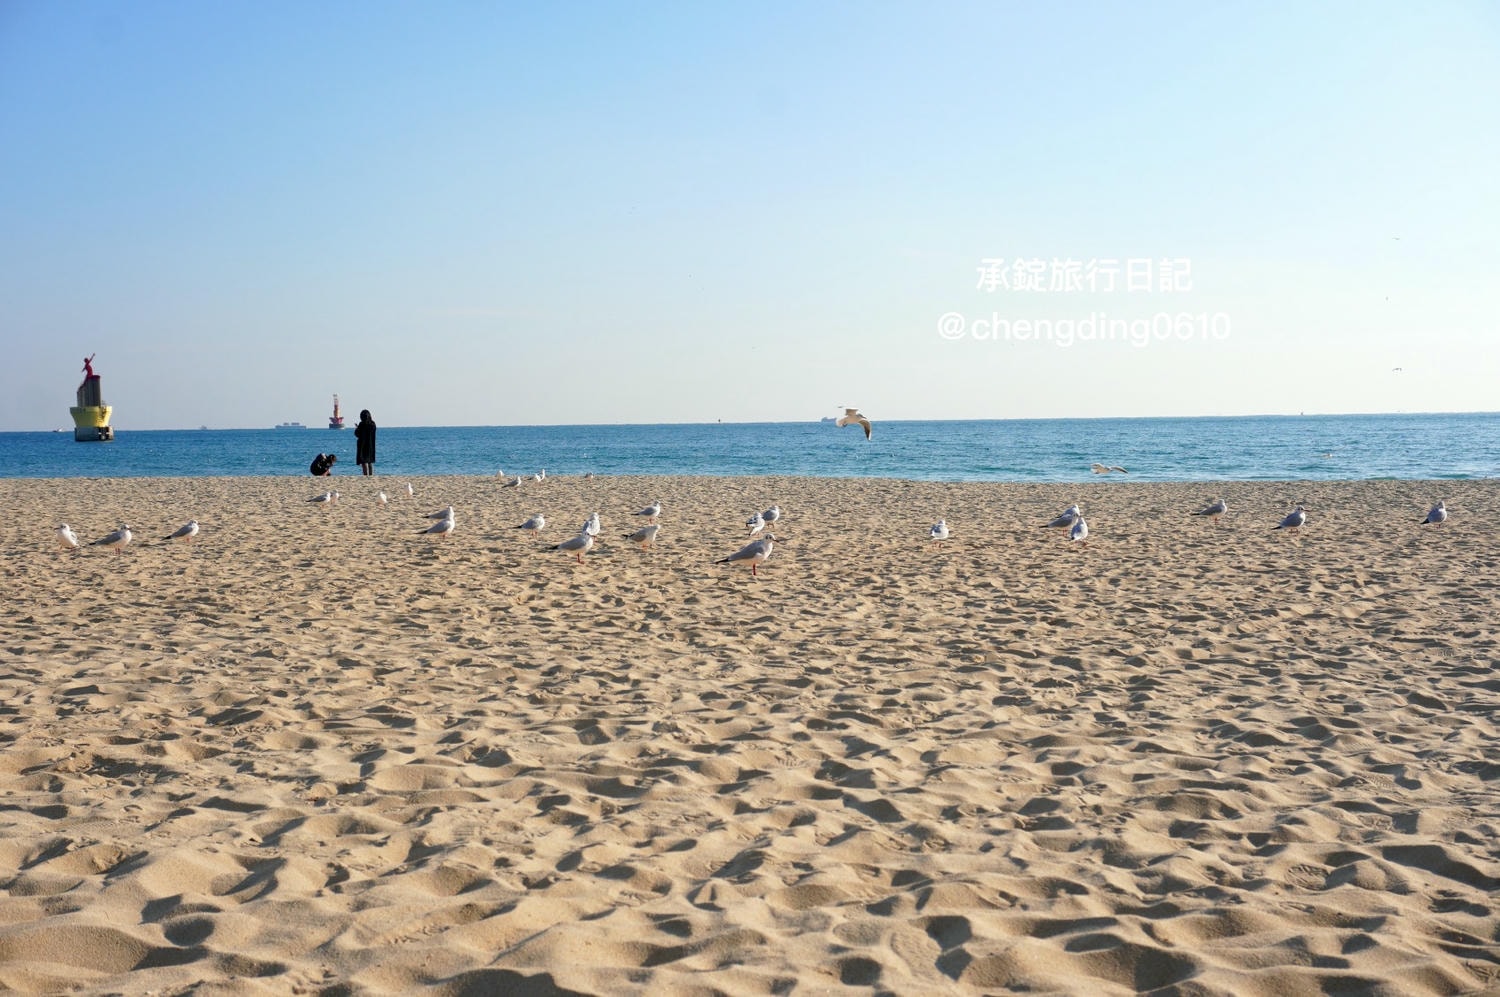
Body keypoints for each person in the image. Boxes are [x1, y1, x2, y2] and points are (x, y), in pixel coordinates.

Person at [354, 409, 377, 476]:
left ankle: (365, 476)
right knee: (370, 461)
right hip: (371, 445)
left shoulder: (362, 424)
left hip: (363, 445)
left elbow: (357, 434)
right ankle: (371, 475)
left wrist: (357, 428)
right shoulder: (373, 424)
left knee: (364, 462)